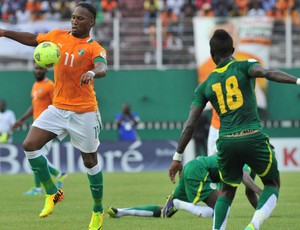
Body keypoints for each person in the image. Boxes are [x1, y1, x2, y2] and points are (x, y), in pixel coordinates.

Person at [168, 29, 300, 230]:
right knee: (272, 183)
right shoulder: (244, 66)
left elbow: (190, 125)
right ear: (233, 50)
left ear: (212, 56)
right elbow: (267, 73)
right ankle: (253, 225)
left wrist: (177, 157)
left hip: (226, 142)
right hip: (252, 136)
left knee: (227, 192)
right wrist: (298, 80)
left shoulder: (205, 85)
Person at [0, 2, 107, 230]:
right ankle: (52, 192)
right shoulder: (57, 36)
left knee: (90, 161)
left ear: (91, 22)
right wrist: (5, 32)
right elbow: (33, 39)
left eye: (80, 18)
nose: (75, 21)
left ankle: (98, 210)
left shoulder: (93, 47)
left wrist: (92, 72)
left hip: (84, 112)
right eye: (74, 17)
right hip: (58, 108)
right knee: (29, 145)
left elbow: (102, 67)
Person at [107, 155, 261, 219]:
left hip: (192, 168)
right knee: (221, 211)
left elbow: (247, 192)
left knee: (164, 212)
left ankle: (121, 212)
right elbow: (244, 176)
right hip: (198, 172)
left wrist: (262, 209)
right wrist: (261, 191)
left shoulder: (236, 154)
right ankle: (179, 204)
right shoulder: (245, 159)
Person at [12, 63, 68, 195]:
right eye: (36, 68)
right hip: (37, 125)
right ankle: (50, 180)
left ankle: (57, 175)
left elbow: (57, 103)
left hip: (47, 126)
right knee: (34, 155)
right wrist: (21, 120)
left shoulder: (50, 85)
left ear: (46, 70)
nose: (38, 70)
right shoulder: (35, 86)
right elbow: (34, 106)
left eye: (40, 68)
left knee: (36, 155)